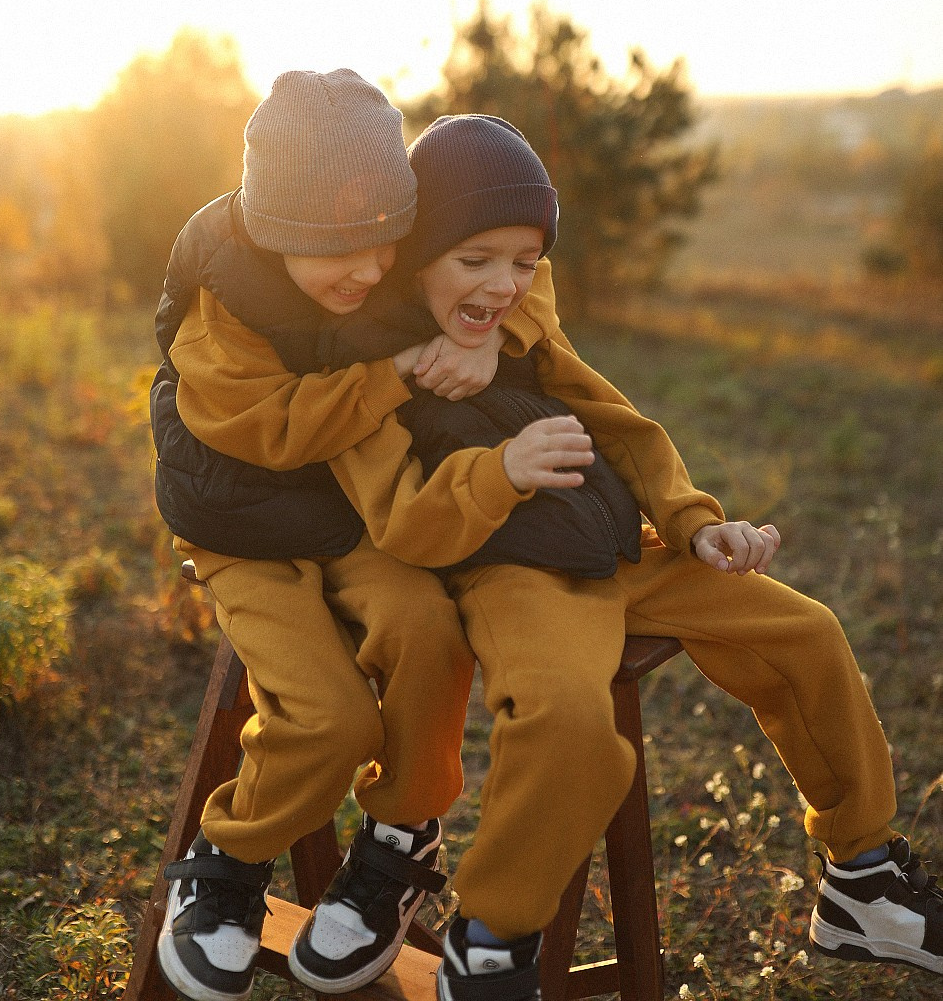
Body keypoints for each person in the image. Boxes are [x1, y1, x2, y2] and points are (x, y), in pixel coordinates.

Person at [310, 113, 942, 996]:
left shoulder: (521, 322)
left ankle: (862, 878)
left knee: (804, 632)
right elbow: (404, 527)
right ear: (417, 250)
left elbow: (615, 421)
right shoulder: (366, 362)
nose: (503, 283)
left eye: (524, 261)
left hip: (616, 546)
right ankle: (491, 937)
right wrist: (499, 472)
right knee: (571, 723)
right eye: (476, 259)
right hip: (510, 573)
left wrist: (691, 523)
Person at [149, 73, 545, 1001]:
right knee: (328, 717)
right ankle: (229, 861)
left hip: (351, 513)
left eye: (384, 244)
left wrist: (488, 333)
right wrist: (398, 372)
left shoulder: (386, 245)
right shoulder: (222, 308)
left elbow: (513, 257)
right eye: (340, 253)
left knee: (427, 636)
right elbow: (274, 429)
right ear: (279, 233)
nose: (370, 272)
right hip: (241, 527)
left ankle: (399, 840)